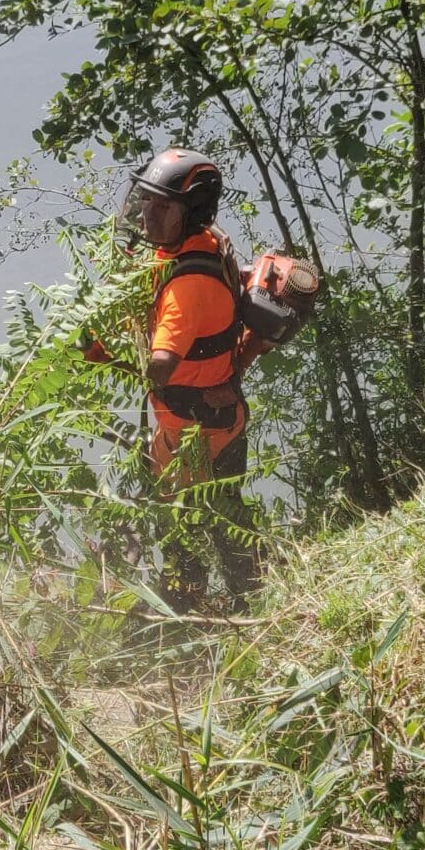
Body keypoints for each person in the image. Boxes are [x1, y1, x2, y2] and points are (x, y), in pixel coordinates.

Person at [87, 148, 264, 605]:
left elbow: (161, 364)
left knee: (181, 526)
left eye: (163, 206)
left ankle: (188, 609)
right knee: (226, 514)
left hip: (193, 431)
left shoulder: (187, 287)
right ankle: (250, 594)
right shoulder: (205, 242)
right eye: (146, 200)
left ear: (193, 212)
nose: (149, 214)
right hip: (220, 415)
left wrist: (101, 358)